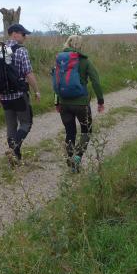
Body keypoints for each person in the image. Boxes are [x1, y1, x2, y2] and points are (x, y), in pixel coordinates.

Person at [53, 35, 105, 172]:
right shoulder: (85, 61)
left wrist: (56, 102)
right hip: (81, 103)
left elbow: (58, 82)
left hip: (64, 103)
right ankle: (77, 157)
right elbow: (96, 81)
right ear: (80, 45)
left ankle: (70, 161)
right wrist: (100, 101)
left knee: (70, 132)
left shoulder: (60, 60)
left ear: (67, 43)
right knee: (86, 131)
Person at [0, 23, 41, 165]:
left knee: (11, 126)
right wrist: (36, 90)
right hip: (19, 95)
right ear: (15, 34)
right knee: (26, 123)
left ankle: (15, 159)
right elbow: (28, 73)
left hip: (4, 96)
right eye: (24, 34)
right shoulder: (21, 51)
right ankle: (13, 150)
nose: (25, 37)